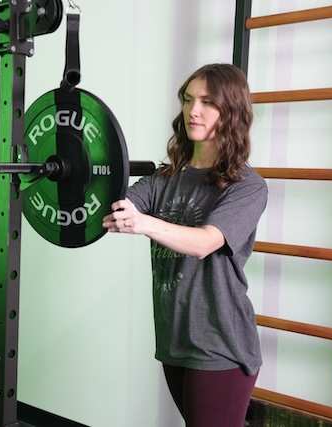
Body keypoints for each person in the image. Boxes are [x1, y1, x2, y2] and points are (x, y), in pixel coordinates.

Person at [102, 63, 267, 426]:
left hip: (220, 345)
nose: (194, 110)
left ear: (232, 112)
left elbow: (205, 242)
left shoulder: (247, 187)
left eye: (208, 102)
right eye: (189, 99)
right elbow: (112, 206)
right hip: (175, 340)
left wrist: (143, 223)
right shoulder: (165, 179)